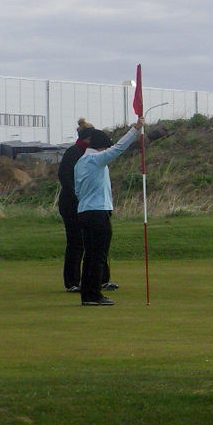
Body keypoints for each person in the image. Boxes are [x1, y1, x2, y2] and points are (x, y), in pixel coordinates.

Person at [74, 118, 143, 306]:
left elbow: (77, 190)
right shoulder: (96, 159)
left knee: (90, 256)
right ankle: (94, 294)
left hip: (84, 211)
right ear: (101, 146)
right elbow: (118, 149)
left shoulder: (80, 162)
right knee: (98, 255)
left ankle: (87, 295)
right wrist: (135, 130)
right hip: (97, 212)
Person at [57, 118, 115, 292]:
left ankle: (101, 279)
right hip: (71, 204)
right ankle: (73, 282)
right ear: (87, 139)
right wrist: (79, 197)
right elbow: (65, 178)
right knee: (76, 243)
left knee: (97, 243)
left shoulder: (94, 155)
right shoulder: (74, 153)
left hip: (88, 204)